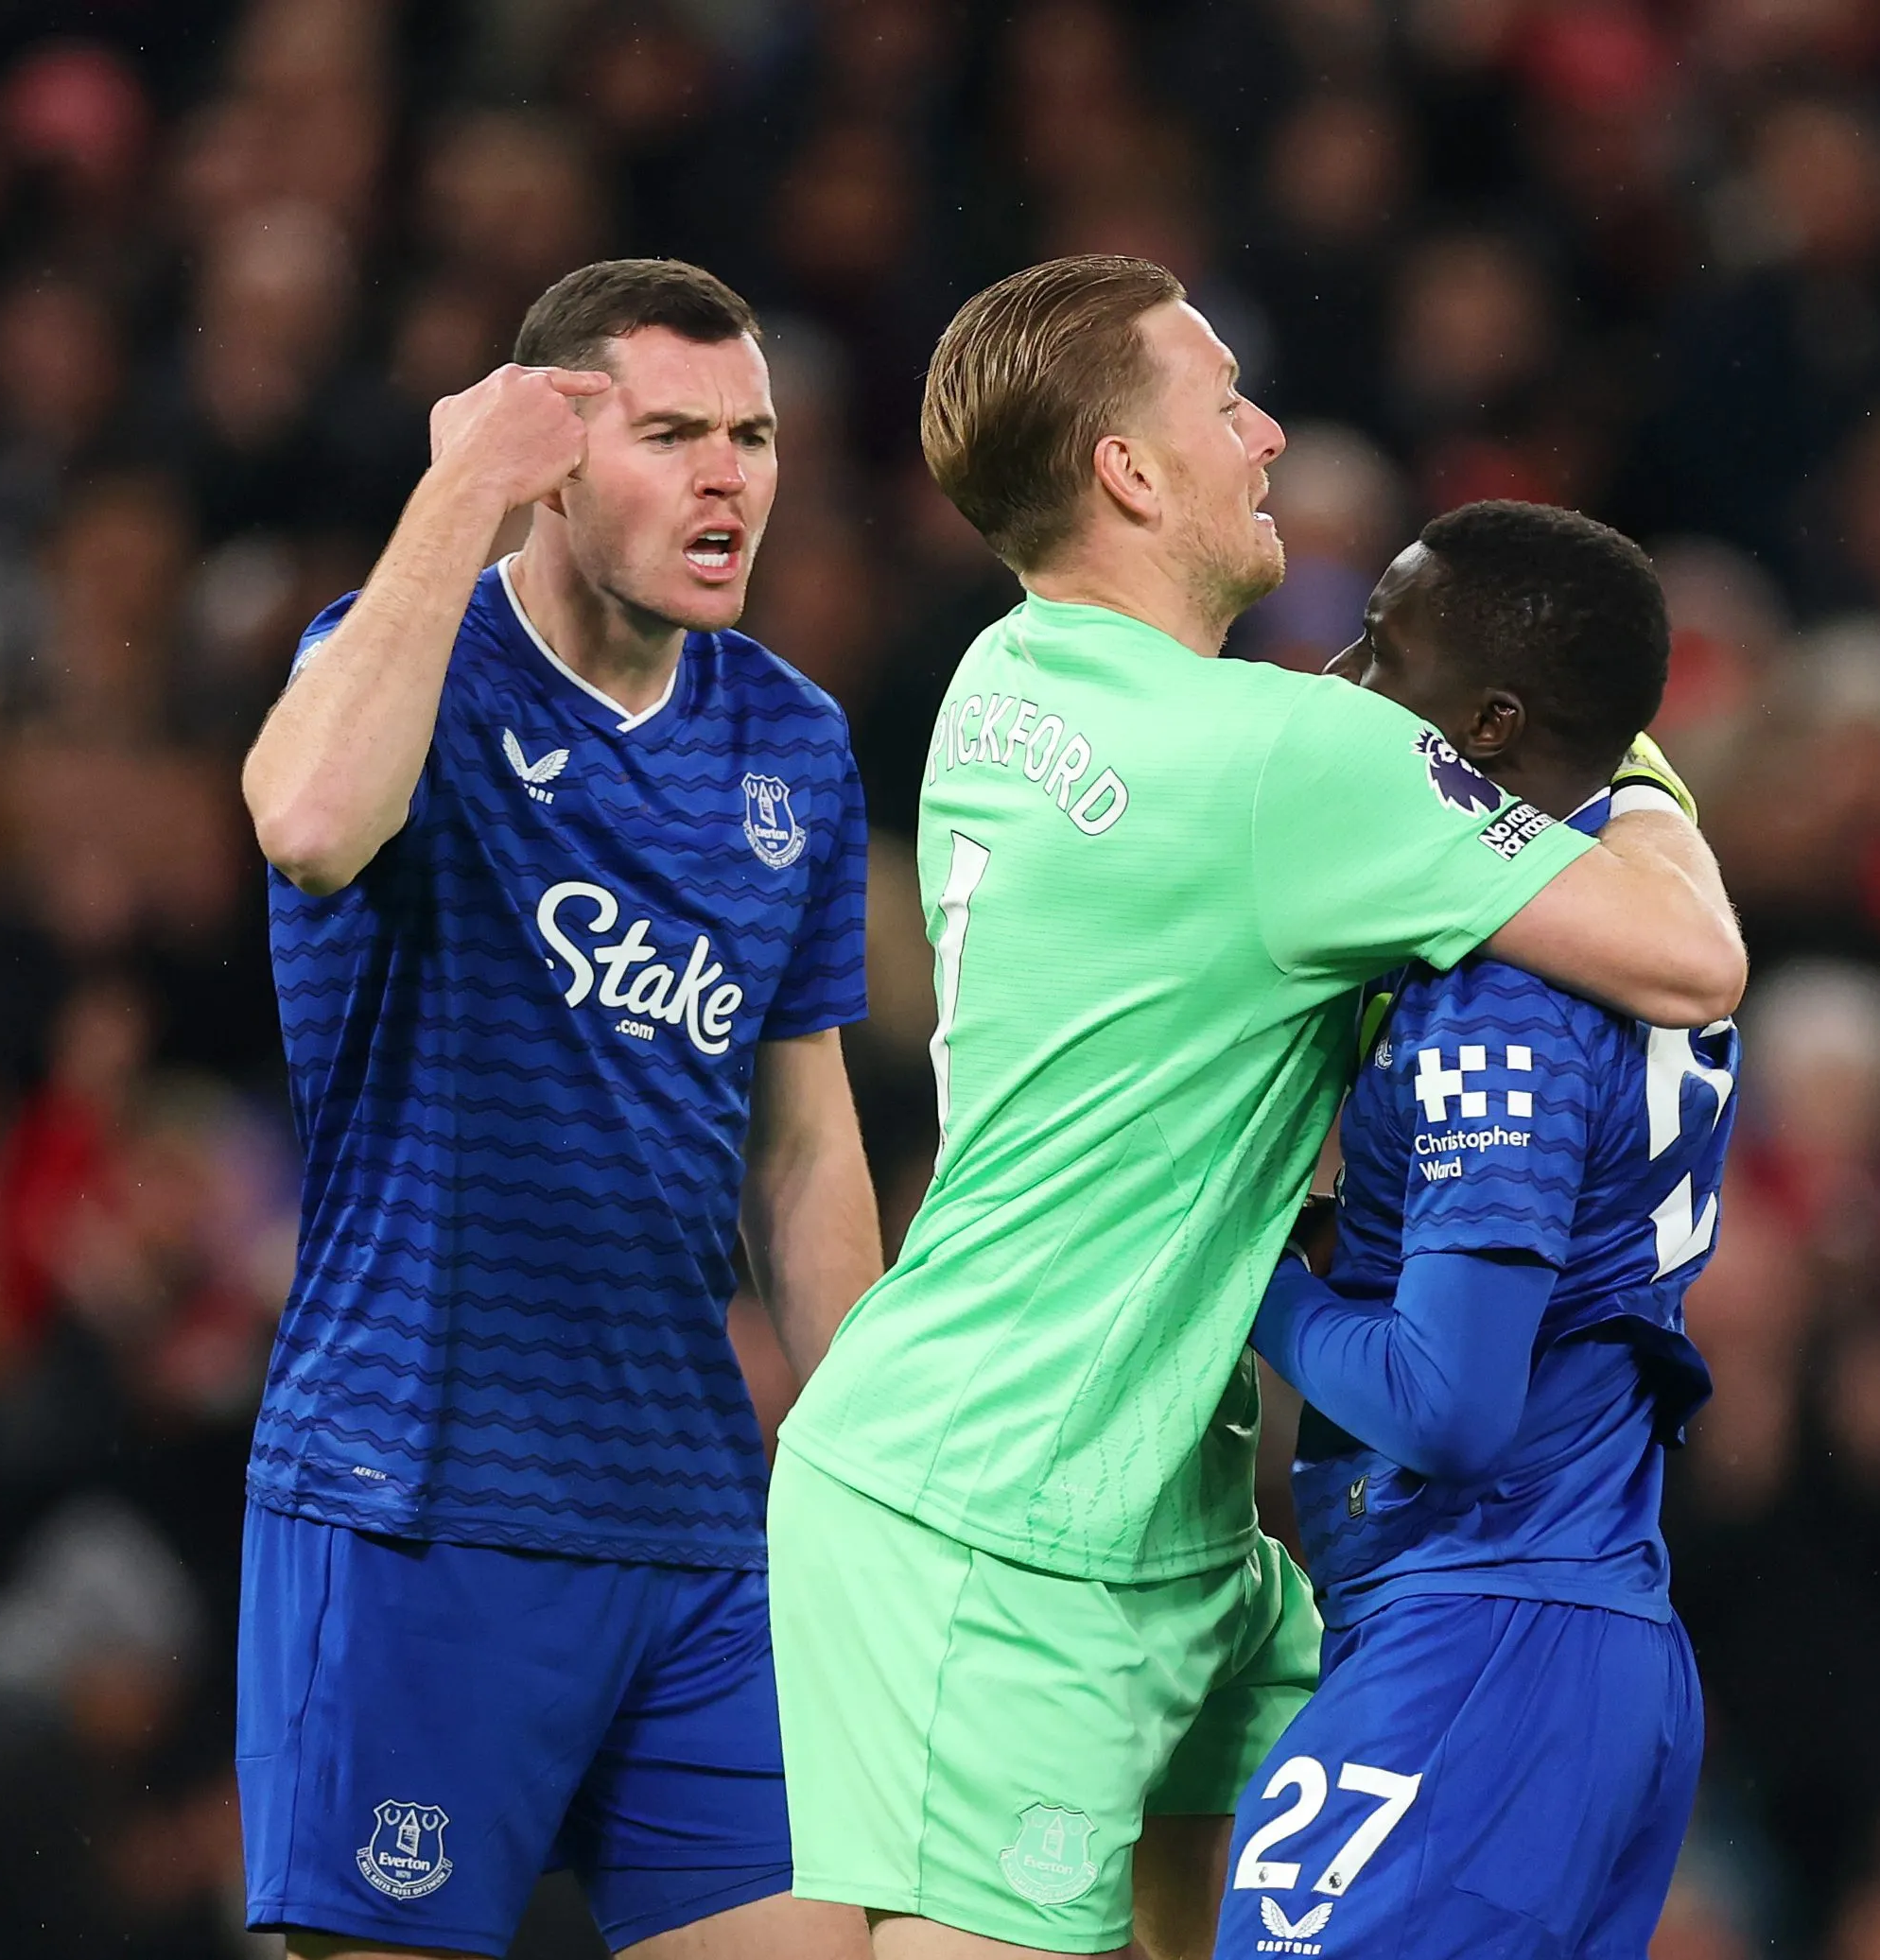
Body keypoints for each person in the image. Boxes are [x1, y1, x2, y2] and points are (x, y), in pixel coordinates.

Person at [765, 256, 1746, 1960]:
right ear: (1127, 473)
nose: (1265, 432)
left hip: (1152, 1508)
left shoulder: (1000, 687)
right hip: (1016, 1521)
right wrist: (1623, 760)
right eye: (1221, 401)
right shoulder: (1293, 760)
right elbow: (1687, 962)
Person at [235, 259, 879, 1960]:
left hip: (691, 1520)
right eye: (671, 433)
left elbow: (801, 1144)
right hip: (417, 1495)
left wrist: (880, 1471)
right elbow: (303, 817)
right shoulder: (397, 671)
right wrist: (458, 489)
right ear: (554, 455)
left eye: (751, 434)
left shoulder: (795, 748)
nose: (729, 474)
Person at [1209, 499, 1731, 1960]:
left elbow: (1447, 1405)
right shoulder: (1623, 882)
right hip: (1587, 1631)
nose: (1342, 685)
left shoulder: (1500, 993)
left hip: (1481, 1625)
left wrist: (1246, 1267)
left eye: (1383, 655)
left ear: (1488, 725)